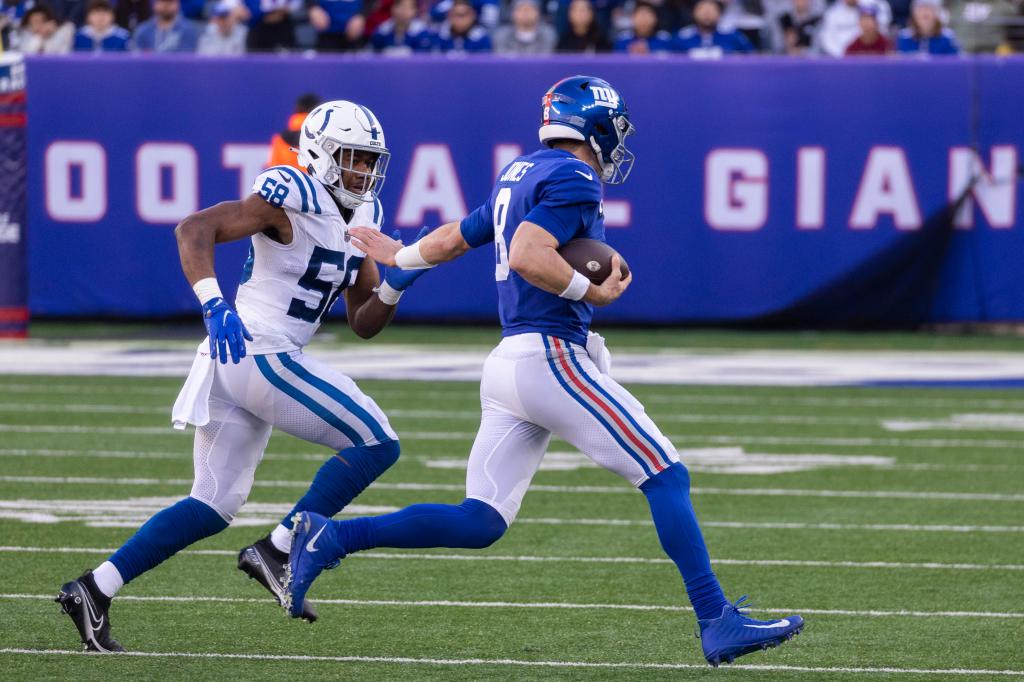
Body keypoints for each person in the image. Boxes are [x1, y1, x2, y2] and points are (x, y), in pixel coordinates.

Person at [284, 76, 805, 668]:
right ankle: (716, 621)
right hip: (550, 357)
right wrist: (590, 290)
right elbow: (532, 255)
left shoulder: (521, 172)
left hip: (510, 363)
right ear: (596, 126)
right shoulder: (575, 176)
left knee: (480, 520)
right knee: (666, 475)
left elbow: (457, 238)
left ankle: (329, 536)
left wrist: (398, 258)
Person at [55, 100, 430, 651]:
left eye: (370, 161)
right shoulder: (292, 192)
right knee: (378, 442)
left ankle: (94, 588)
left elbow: (363, 321)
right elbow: (194, 229)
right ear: (321, 155)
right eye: (353, 159)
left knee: (213, 502)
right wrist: (213, 302)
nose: (364, 172)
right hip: (255, 348)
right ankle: (278, 550)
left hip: (247, 362)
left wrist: (399, 282)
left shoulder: (365, 211)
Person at [674, 0, 753, 55]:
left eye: (712, 10)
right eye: (702, 9)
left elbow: (751, 56)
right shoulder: (683, 37)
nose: (707, 14)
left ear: (720, 14)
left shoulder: (732, 35)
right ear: (694, 13)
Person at [268, 93, 320, 170]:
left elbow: (273, 170)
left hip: (288, 181)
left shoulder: (279, 139)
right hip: (314, 181)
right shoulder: (321, 134)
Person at [818, 0, 890, 55]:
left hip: (870, 49)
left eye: (868, 19)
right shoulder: (832, 13)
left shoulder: (870, 5)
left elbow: (882, 27)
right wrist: (842, 56)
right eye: (864, 20)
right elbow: (827, 39)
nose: (867, 23)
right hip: (841, 57)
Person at [132, 0, 199, 51]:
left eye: (170, 2)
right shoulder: (143, 30)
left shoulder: (189, 30)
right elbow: (137, 57)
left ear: (178, 3)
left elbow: (189, 58)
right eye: (162, 1)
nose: (166, 6)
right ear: (154, 4)